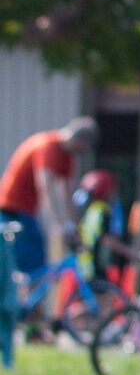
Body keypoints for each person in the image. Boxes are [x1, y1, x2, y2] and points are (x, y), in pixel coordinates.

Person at [0, 117, 97, 297]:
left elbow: (67, 194)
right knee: (30, 262)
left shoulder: (66, 156)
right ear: (80, 140)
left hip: (26, 212)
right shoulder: (48, 146)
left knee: (36, 262)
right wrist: (59, 225)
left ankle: (28, 313)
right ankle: (23, 314)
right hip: (10, 210)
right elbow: (47, 187)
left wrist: (74, 225)